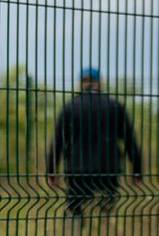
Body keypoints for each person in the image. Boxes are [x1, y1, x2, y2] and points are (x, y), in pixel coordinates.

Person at [47, 66, 144, 220]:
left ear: (80, 83)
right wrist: (137, 170)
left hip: (78, 170)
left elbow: (57, 141)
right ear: (100, 82)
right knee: (105, 209)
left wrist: (51, 170)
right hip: (108, 168)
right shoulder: (115, 106)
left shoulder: (70, 107)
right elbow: (130, 141)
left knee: (75, 208)